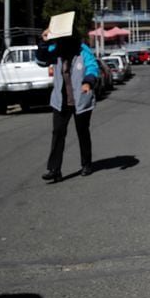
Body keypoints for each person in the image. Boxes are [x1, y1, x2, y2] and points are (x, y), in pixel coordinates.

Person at [37, 25, 100, 181]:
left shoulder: (82, 49)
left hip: (81, 99)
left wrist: (88, 82)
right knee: (58, 133)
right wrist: (43, 42)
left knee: (82, 132)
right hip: (61, 101)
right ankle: (54, 170)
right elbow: (41, 60)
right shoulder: (55, 50)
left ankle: (86, 164)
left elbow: (92, 67)